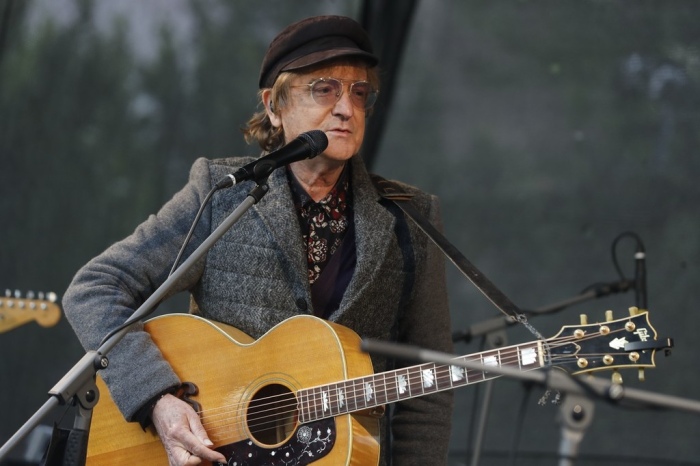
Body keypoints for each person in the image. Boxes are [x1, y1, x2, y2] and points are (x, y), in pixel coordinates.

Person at [63, 15, 453, 466]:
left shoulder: (411, 216)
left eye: (359, 92)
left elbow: (429, 383)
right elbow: (96, 288)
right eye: (324, 89)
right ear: (274, 105)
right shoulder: (222, 193)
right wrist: (157, 398)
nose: (347, 108)